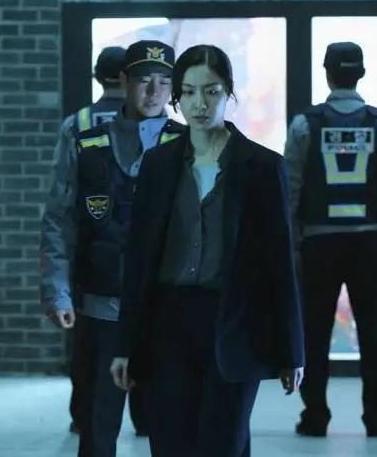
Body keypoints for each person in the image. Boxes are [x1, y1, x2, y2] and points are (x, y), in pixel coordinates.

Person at [109, 44, 305, 457]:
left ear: (229, 92)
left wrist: (292, 351)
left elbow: (279, 264)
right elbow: (138, 260)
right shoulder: (158, 164)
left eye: (211, 91)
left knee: (224, 445)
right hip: (167, 326)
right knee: (170, 446)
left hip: (234, 322)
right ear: (177, 97)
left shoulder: (262, 166)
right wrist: (124, 345)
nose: (200, 104)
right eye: (190, 92)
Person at [39, 39, 183, 457]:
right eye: (143, 80)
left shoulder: (188, 143)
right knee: (98, 425)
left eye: (163, 82)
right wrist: (57, 291)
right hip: (103, 304)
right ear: (123, 80)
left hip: (167, 307)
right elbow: (59, 218)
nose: (153, 91)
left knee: (171, 426)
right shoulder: (85, 140)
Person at [284, 42, 377, 437]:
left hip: (318, 244)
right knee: (372, 333)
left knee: (315, 332)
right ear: (361, 73)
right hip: (367, 242)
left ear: (327, 74)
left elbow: (291, 191)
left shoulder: (305, 125)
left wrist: (293, 242)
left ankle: (314, 416)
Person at [57, 46, 128, 435]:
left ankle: (83, 417)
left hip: (90, 254)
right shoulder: (156, 123)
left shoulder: (78, 123)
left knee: (88, 350)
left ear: (98, 77)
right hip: (136, 250)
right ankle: (145, 417)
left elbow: (63, 197)